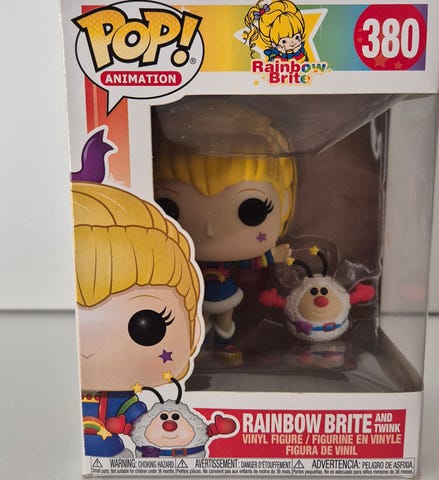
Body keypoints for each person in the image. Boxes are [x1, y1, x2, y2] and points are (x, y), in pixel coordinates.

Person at [152, 97, 296, 351]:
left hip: (226, 295)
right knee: (199, 322)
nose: (209, 231)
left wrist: (274, 255)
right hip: (192, 297)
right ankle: (202, 345)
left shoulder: (227, 263)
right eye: (169, 209)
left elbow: (253, 262)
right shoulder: (184, 260)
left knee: (223, 321)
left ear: (283, 203)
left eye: (252, 211)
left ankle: (223, 343)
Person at [73, 181, 203, 456]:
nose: (88, 349)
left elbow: (141, 422)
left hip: (115, 455)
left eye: (147, 326)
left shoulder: (122, 399)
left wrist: (160, 437)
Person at [244, 0, 308, 62]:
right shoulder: (273, 54)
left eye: (297, 37)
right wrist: (282, 54)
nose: (292, 42)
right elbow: (276, 65)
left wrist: (297, 54)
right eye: (284, 41)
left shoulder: (300, 50)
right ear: (274, 44)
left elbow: (304, 64)